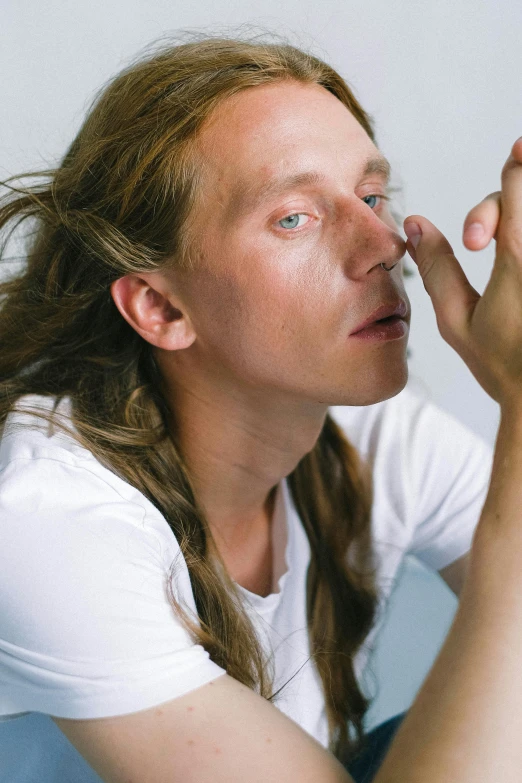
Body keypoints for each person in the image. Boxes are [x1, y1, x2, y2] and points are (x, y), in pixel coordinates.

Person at [0, 31, 519, 782]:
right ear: (159, 306)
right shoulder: (45, 516)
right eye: (293, 218)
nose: (382, 242)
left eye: (372, 196)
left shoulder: (374, 435)